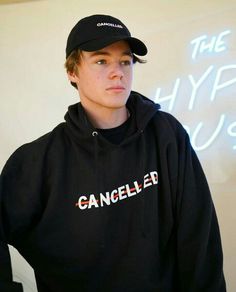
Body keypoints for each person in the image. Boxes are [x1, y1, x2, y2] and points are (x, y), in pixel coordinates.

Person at [0, 14, 226, 292]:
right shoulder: (38, 161)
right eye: (101, 60)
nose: (118, 72)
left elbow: (199, 237)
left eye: (125, 61)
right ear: (72, 72)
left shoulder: (166, 135)